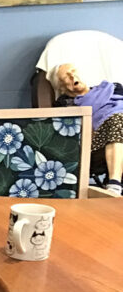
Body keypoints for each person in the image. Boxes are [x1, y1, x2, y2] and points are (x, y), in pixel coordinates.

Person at [55, 63, 123, 195]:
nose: (72, 76)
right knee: (118, 120)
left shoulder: (114, 88)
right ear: (63, 87)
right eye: (66, 77)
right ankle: (114, 184)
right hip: (95, 142)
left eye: (73, 71)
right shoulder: (66, 103)